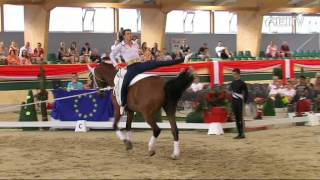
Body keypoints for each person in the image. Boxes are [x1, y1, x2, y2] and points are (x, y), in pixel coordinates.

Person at [109, 29, 185, 112]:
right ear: (124, 36)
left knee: (157, 63)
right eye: (128, 34)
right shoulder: (120, 46)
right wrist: (115, 64)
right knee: (124, 84)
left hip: (140, 64)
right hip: (131, 68)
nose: (130, 35)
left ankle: (181, 60)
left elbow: (138, 54)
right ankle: (123, 104)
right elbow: (111, 55)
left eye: (130, 33)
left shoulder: (135, 44)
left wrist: (143, 57)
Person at [229, 68, 248, 139]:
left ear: (238, 74)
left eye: (235, 74)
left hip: (240, 102)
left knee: (240, 118)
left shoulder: (242, 83)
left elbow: (246, 94)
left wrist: (244, 102)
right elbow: (232, 92)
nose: (234, 76)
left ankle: (242, 133)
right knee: (236, 118)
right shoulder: (232, 83)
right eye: (233, 74)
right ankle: (239, 133)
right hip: (234, 102)